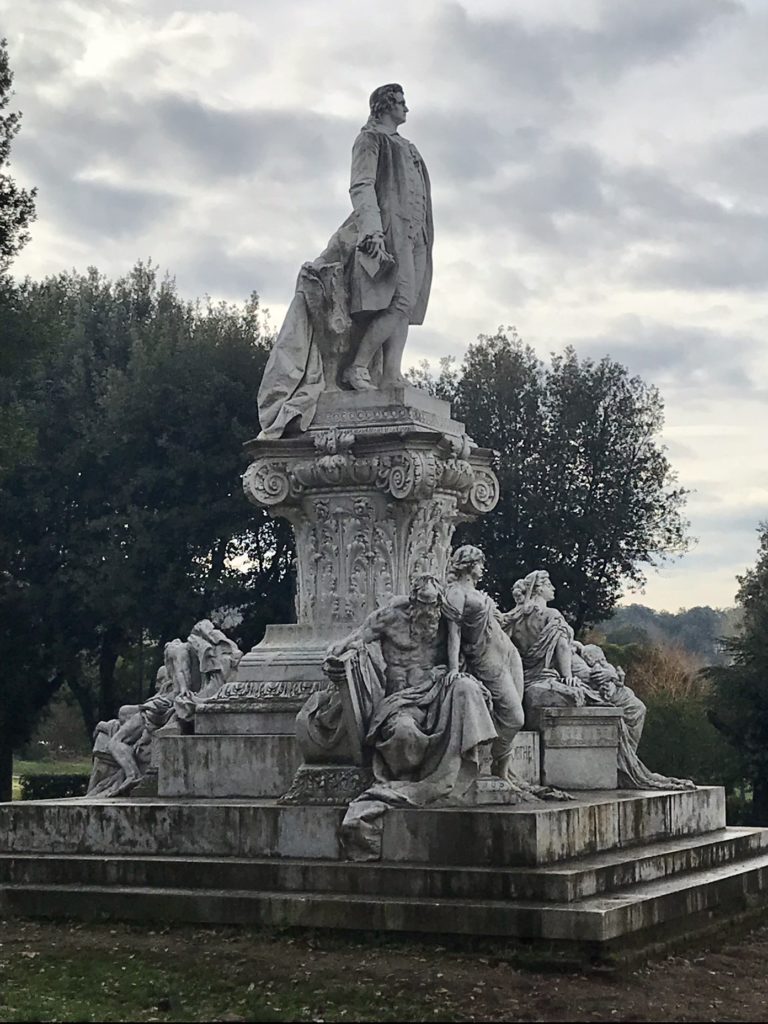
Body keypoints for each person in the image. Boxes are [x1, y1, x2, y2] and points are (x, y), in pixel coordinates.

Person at [257, 84, 434, 438]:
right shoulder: (370, 139)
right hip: (386, 230)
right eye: (400, 103)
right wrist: (372, 231)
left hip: (414, 234)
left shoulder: (408, 148)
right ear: (384, 105)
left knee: (407, 303)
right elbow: (362, 185)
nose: (406, 109)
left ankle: (391, 375)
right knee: (398, 301)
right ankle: (357, 367)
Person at [441, 545, 528, 786]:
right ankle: (494, 761)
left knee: (515, 712)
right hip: (485, 659)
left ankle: (503, 769)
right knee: (514, 717)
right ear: (469, 565)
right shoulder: (456, 593)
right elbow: (454, 633)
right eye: (480, 563)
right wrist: (453, 669)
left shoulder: (476, 592)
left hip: (507, 655)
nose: (483, 567)